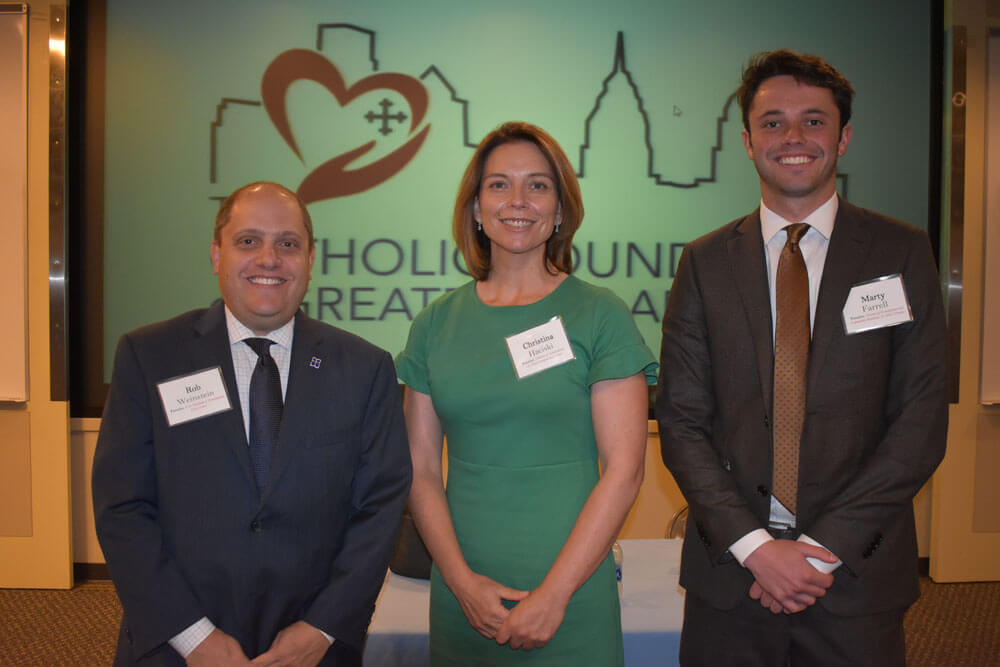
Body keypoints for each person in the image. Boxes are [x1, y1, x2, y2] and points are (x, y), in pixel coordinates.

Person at [656, 50, 948, 665]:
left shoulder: (900, 251)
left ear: (843, 137)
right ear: (746, 140)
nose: (792, 137)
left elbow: (919, 424)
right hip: (730, 579)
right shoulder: (704, 263)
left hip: (855, 577)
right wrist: (756, 548)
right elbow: (682, 423)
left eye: (813, 121)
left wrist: (818, 550)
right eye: (773, 122)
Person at [92, 182, 412, 666]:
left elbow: (380, 509)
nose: (269, 258)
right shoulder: (149, 356)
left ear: (310, 259)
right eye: (248, 241)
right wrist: (194, 637)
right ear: (217, 255)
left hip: (312, 648)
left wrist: (320, 629)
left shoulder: (365, 368)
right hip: (176, 644)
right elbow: (123, 507)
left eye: (288, 243)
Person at [396, 121, 657, 665]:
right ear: (475, 207)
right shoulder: (433, 325)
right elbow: (419, 470)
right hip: (462, 594)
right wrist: (462, 583)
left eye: (538, 185)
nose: (517, 200)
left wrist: (554, 595)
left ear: (561, 210)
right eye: (499, 185)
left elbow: (625, 467)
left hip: (572, 595)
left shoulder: (599, 314)